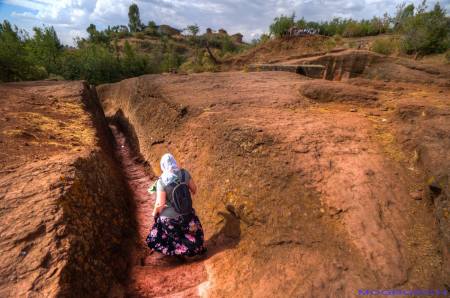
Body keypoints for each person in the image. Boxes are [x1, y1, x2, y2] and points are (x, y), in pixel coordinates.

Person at [146, 153, 206, 257]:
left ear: (162, 166)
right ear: (174, 162)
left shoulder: (161, 181)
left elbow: (161, 203)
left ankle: (177, 250)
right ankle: (196, 247)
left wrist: (154, 212)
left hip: (170, 219)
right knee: (192, 222)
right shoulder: (184, 173)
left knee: (159, 223)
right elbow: (194, 190)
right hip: (187, 214)